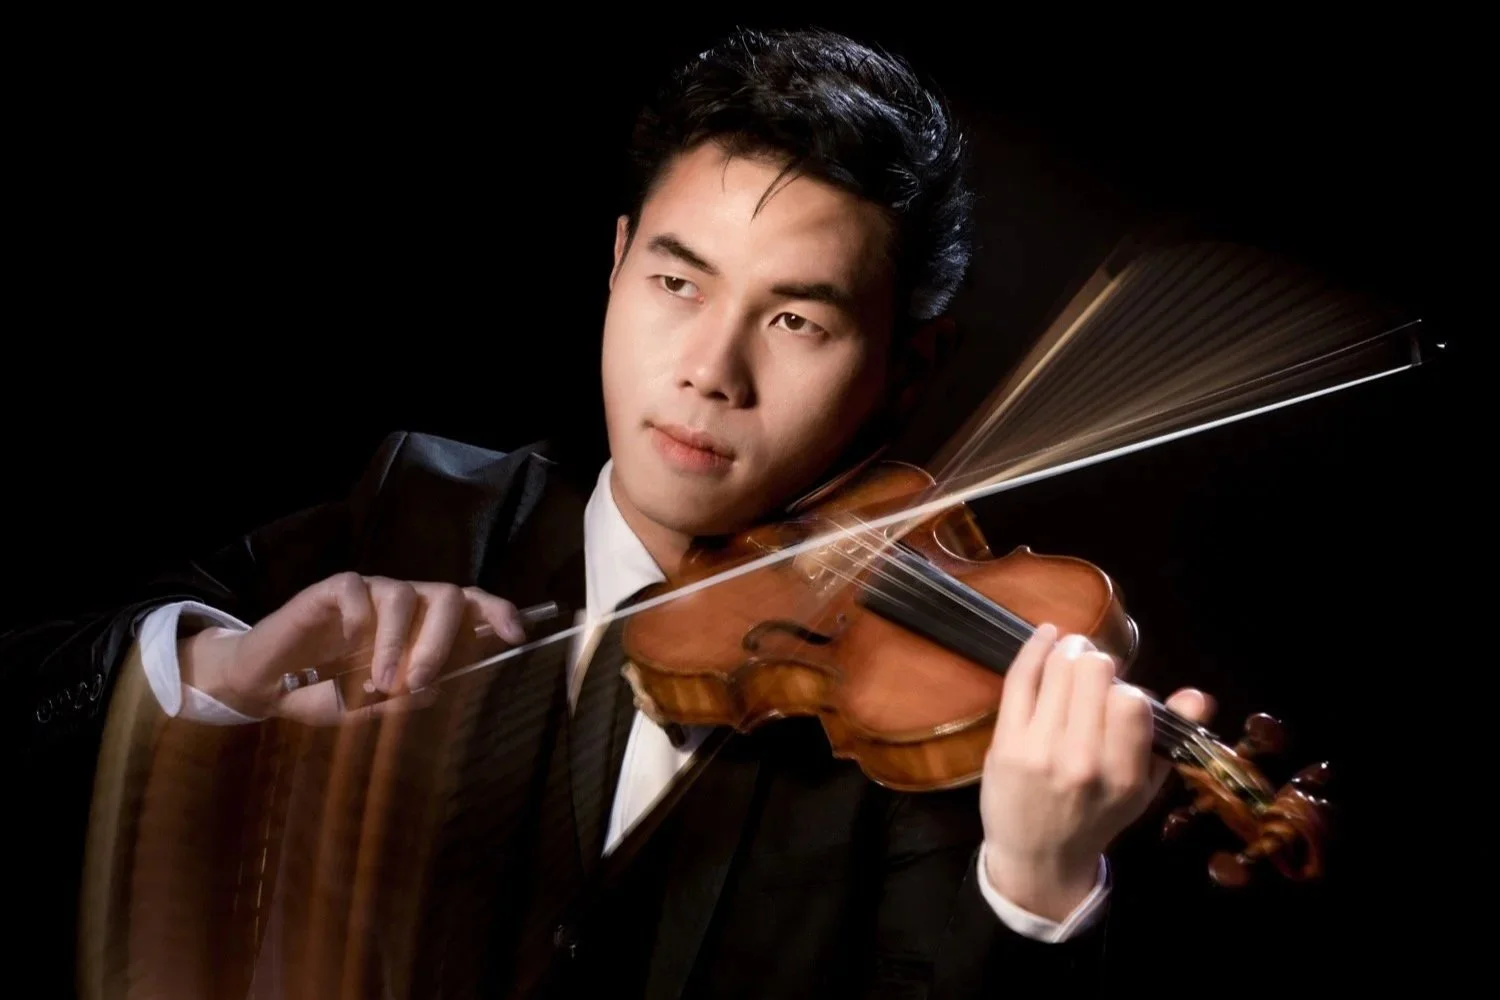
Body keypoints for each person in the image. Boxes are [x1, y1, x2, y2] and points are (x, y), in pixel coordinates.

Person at [15, 25, 1212, 998]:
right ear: (618, 259)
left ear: (906, 369)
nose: (708, 368)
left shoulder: (929, 732)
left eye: (797, 320)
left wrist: (1038, 885)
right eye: (677, 282)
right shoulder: (415, 506)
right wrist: (216, 668)